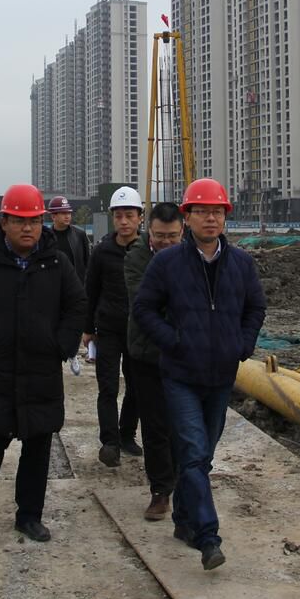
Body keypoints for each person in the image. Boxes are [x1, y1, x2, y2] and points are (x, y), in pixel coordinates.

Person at [133, 178, 266, 571]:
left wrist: (242, 344)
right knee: (192, 451)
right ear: (187, 217)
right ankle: (208, 537)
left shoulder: (241, 264)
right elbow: (144, 309)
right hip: (180, 375)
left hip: (221, 376)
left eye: (218, 211)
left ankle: (183, 518)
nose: (211, 218)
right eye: (203, 211)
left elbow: (255, 308)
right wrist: (172, 341)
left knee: (202, 457)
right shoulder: (167, 263)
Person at [0, 183, 85, 542]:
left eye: (34, 221)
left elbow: (76, 305)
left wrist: (62, 344)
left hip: (41, 373)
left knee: (38, 447)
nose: (28, 228)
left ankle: (29, 516)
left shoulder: (56, 263)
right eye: (20, 221)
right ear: (4, 222)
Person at [123, 201, 184, 521]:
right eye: (160, 236)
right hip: (146, 354)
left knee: (183, 422)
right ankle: (160, 490)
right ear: (149, 230)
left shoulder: (194, 255)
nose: (166, 242)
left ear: (182, 231)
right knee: (154, 424)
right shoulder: (135, 258)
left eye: (172, 236)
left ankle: (183, 481)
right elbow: (144, 303)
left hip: (185, 356)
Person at [83, 186, 144, 467]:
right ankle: (110, 442)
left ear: (140, 217)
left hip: (138, 331)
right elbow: (91, 290)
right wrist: (87, 329)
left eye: (129, 215)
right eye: (118, 216)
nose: (124, 221)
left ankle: (127, 433)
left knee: (137, 387)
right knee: (107, 387)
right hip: (107, 329)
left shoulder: (147, 251)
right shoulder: (102, 251)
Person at [47, 195, 90, 283]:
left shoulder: (80, 234)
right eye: (63, 213)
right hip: (54, 284)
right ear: (53, 216)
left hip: (77, 285)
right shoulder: (46, 237)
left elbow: (88, 262)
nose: (67, 216)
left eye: (69, 213)